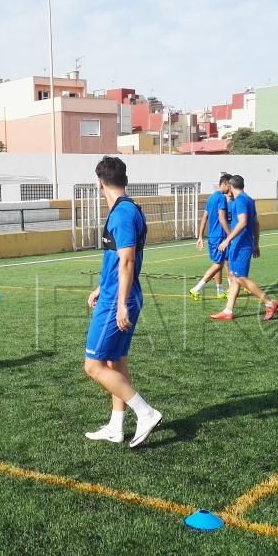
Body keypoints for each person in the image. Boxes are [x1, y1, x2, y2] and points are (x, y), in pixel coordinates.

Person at [83, 156, 163, 449]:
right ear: (124, 180)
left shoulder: (122, 214)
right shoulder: (125, 209)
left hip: (119, 298)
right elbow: (117, 261)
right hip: (114, 292)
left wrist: (119, 303)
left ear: (100, 183)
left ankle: (146, 412)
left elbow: (128, 261)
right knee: (115, 361)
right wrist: (100, 286)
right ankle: (116, 427)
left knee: (93, 366)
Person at [210, 175, 278, 322]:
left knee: (240, 278)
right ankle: (228, 311)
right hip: (242, 244)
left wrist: (227, 240)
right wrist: (256, 243)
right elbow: (256, 224)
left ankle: (269, 303)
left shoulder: (240, 200)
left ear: (230, 185)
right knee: (234, 278)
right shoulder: (248, 199)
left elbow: (243, 222)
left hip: (240, 245)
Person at [189, 173, 232, 300]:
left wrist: (201, 237)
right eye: (230, 186)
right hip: (219, 236)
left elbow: (204, 218)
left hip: (213, 236)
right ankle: (196, 289)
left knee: (218, 262)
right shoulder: (221, 198)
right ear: (224, 184)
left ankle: (219, 291)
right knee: (218, 264)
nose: (231, 189)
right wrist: (231, 235)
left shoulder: (211, 197)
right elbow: (222, 218)